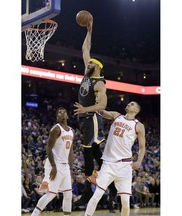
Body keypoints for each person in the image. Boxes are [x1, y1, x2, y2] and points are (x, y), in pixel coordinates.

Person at [73, 19, 117, 206]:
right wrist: (89, 30)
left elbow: (102, 105)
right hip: (84, 117)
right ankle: (113, 186)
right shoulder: (86, 73)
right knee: (97, 151)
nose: (88, 62)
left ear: (97, 67)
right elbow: (85, 49)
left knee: (87, 150)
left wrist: (85, 109)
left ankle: (86, 191)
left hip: (92, 117)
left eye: (91, 62)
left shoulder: (99, 83)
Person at [83, 101, 146, 216]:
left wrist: (139, 161)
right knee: (97, 194)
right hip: (109, 164)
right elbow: (102, 111)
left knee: (125, 201)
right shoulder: (117, 116)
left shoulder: (139, 126)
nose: (129, 104)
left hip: (125, 165)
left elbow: (142, 147)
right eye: (129, 103)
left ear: (136, 110)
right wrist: (94, 104)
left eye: (132, 104)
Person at [31, 107, 74, 216]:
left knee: (68, 194)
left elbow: (71, 152)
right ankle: (34, 214)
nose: (61, 113)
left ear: (67, 115)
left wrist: (71, 168)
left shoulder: (71, 131)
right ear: (57, 117)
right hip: (55, 164)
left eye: (63, 111)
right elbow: (48, 149)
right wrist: (54, 166)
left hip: (65, 166)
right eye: (59, 112)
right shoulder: (56, 129)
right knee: (51, 194)